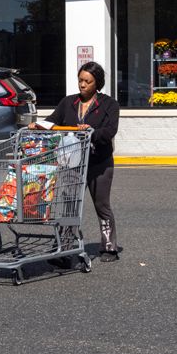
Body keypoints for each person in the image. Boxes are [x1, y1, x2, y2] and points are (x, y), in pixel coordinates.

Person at [48, 61, 122, 259]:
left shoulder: (109, 105)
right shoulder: (68, 103)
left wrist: (91, 132)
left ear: (97, 83)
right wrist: (40, 126)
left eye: (87, 82)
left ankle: (109, 247)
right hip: (73, 162)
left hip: (99, 163)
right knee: (70, 204)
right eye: (80, 80)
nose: (82, 85)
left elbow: (110, 131)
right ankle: (65, 249)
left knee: (102, 205)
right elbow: (52, 120)